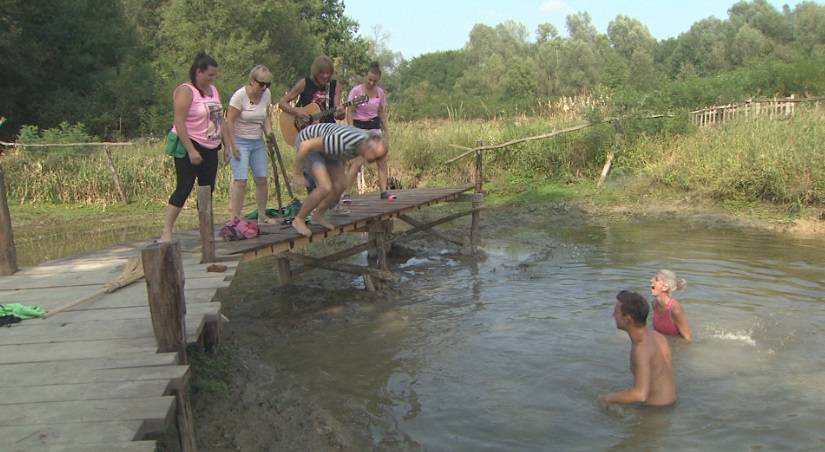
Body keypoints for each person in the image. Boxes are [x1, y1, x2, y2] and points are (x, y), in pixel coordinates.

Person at [161, 52, 223, 242]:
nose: (212, 79)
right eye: (210, 75)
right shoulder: (186, 91)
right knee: (184, 187)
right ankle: (167, 231)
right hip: (190, 143)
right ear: (199, 72)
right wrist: (191, 150)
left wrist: (228, 144)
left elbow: (220, 118)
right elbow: (179, 122)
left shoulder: (213, 90)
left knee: (207, 189)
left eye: (214, 75)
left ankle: (206, 231)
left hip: (211, 144)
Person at [290, 123, 388, 237]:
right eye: (374, 155)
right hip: (308, 142)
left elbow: (342, 157)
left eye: (377, 157)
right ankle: (299, 219)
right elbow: (305, 146)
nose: (373, 160)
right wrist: (297, 174)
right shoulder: (341, 141)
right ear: (368, 147)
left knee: (341, 185)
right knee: (325, 187)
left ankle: (318, 215)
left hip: (328, 150)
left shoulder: (364, 142)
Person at [599, 290, 677, 407]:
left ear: (628, 319)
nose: (613, 316)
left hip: (656, 410)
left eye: (616, 312)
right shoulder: (658, 336)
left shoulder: (641, 349)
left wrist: (607, 398)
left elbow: (640, 395)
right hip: (671, 401)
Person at [225, 65, 274, 224]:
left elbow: (266, 116)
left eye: (268, 84)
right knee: (241, 181)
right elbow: (229, 121)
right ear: (252, 81)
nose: (264, 87)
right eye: (261, 84)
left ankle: (262, 215)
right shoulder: (239, 96)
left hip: (257, 141)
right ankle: (235, 218)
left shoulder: (266, 94)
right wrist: (233, 145)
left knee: (261, 179)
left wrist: (269, 133)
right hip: (240, 140)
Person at [346, 61, 390, 193]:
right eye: (370, 80)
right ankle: (346, 193)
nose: (371, 83)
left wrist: (386, 130)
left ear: (378, 80)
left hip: (374, 126)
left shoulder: (380, 93)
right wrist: (351, 129)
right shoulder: (356, 91)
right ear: (366, 76)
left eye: (374, 81)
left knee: (382, 159)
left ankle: (384, 191)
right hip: (359, 127)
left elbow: (381, 111)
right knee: (357, 162)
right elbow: (349, 111)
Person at [278, 55, 344, 132]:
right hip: (306, 131)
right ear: (316, 72)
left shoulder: (335, 85)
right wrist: (297, 112)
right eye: (322, 73)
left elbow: (337, 113)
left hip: (328, 130)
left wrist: (341, 113)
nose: (325, 76)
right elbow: (282, 103)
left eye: (328, 73)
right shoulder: (305, 83)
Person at [650, 269, 692, 341]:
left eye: (656, 279)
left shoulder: (675, 309)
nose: (651, 280)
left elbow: (688, 338)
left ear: (665, 287)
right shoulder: (654, 304)